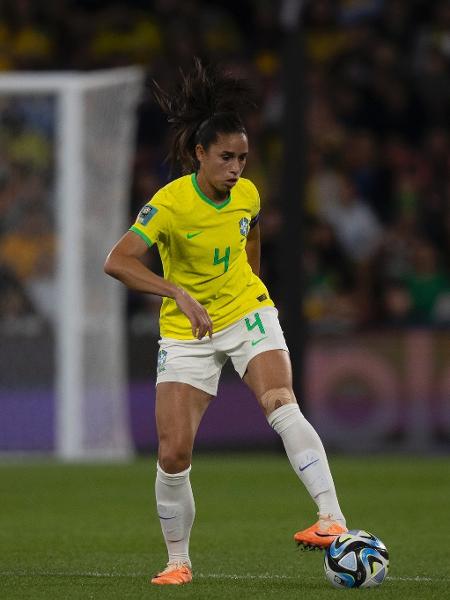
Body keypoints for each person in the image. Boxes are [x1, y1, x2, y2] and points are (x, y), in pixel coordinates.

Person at [104, 60, 347, 586]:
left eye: (242, 158)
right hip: (185, 328)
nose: (236, 168)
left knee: (280, 400)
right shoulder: (169, 204)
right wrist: (177, 292)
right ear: (199, 154)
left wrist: (251, 293)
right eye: (226, 158)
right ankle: (177, 563)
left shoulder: (248, 194)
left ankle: (332, 518)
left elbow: (250, 235)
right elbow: (117, 261)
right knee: (173, 453)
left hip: (245, 311)